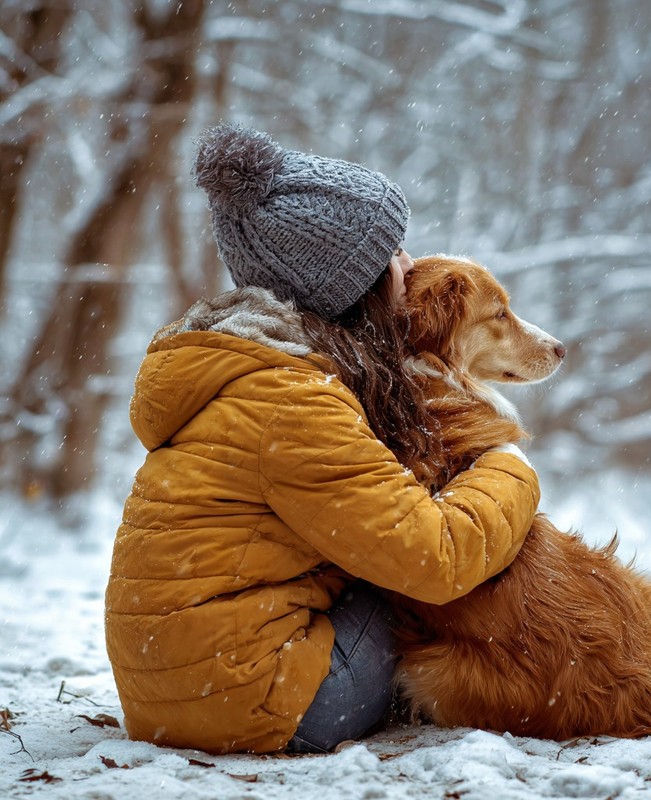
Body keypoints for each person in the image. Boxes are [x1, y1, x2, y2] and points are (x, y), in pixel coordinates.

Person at [104, 123, 540, 755]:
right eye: (394, 254)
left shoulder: (247, 370)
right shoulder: (295, 401)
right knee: (408, 594)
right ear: (353, 288)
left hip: (175, 688)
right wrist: (508, 465)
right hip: (254, 700)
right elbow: (434, 557)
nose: (411, 266)